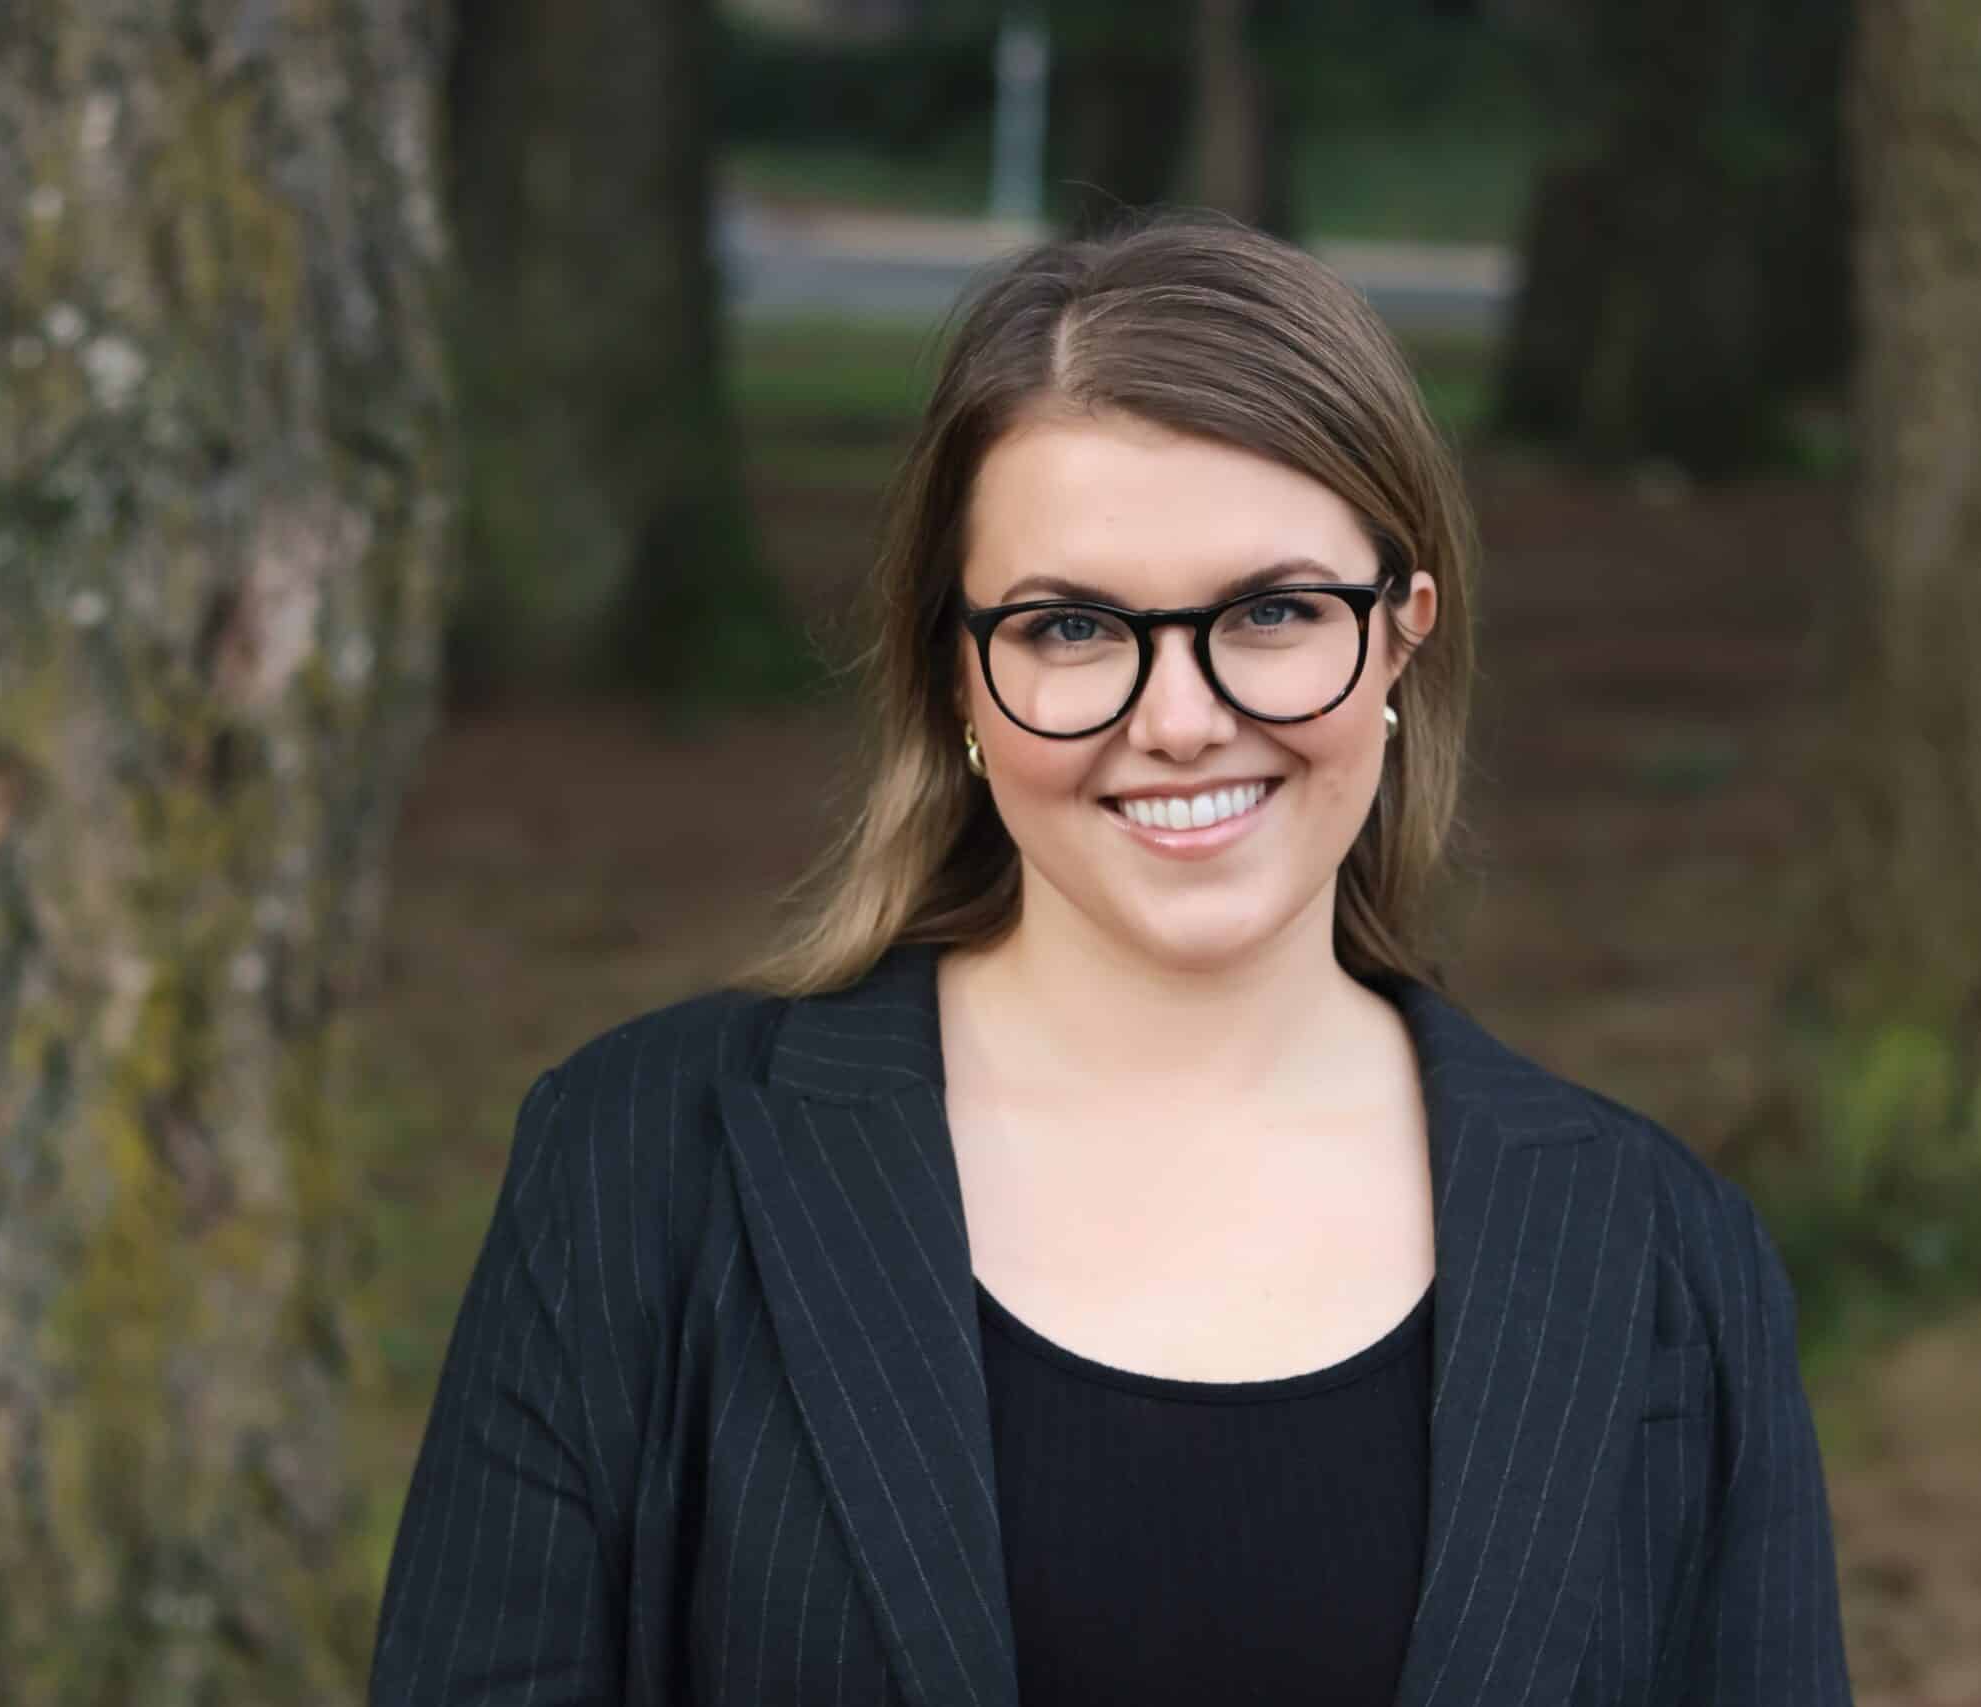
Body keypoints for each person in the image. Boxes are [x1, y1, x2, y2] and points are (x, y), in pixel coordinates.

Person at [369, 213, 1854, 1707]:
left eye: (1272, 612)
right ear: (960, 675)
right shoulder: (642, 1168)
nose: (1180, 718)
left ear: (1404, 639)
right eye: (1074, 627)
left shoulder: (1665, 1257)